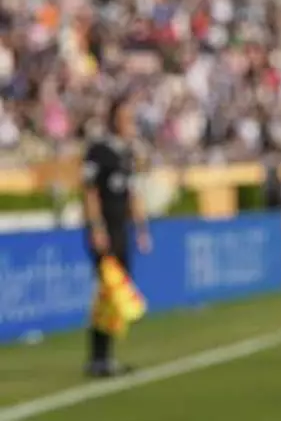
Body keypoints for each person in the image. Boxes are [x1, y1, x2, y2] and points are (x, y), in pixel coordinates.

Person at [82, 94, 152, 378]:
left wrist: (142, 229)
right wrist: (96, 227)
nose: (130, 123)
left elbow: (133, 193)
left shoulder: (128, 153)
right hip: (105, 229)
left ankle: (105, 356)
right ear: (114, 120)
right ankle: (98, 356)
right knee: (107, 291)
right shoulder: (98, 151)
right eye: (126, 118)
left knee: (113, 295)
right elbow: (90, 192)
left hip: (122, 229)